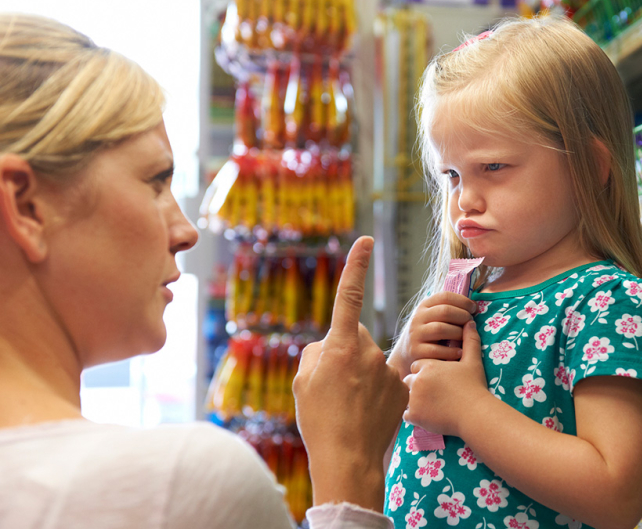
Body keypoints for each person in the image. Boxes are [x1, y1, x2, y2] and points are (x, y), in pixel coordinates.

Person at [0, 13, 405, 528]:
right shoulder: (175, 484)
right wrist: (353, 471)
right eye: (153, 181)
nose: (187, 231)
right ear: (26, 206)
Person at [384, 15, 642, 529]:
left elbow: (616, 494)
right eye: (450, 174)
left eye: (493, 168)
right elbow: (375, 435)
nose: (463, 200)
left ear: (590, 167)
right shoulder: (472, 294)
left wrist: (468, 409)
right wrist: (404, 355)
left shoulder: (606, 300)